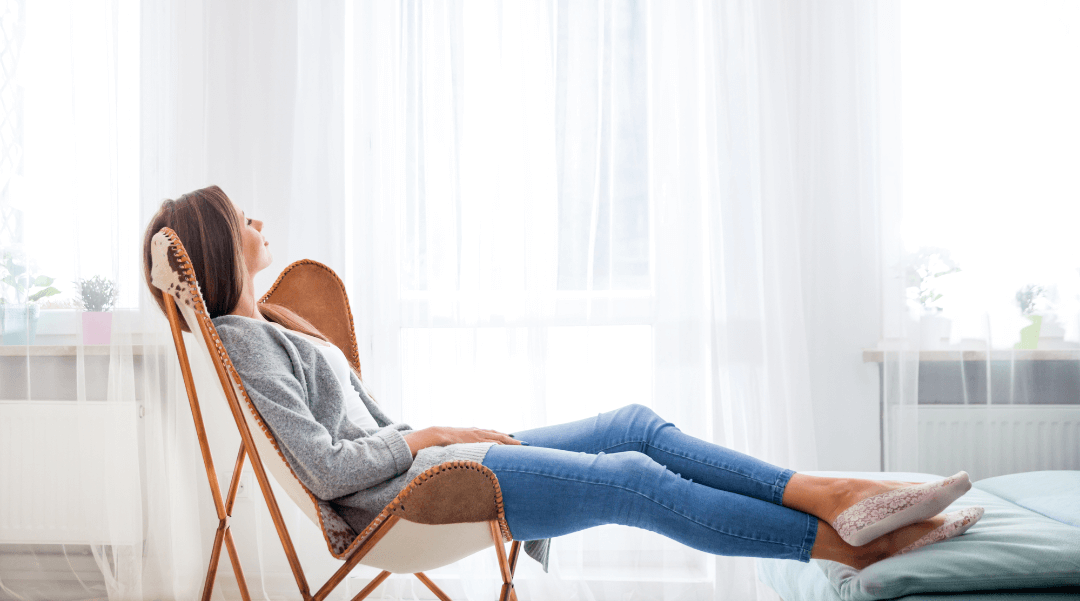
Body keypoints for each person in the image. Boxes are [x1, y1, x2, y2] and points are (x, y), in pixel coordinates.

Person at [142, 185, 983, 574]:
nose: (257, 218)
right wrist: (430, 435)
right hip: (407, 494)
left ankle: (833, 493)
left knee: (634, 422)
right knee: (631, 480)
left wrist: (433, 437)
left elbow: (351, 437)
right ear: (217, 245)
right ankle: (849, 541)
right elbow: (328, 472)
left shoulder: (273, 324)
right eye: (238, 215)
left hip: (425, 465)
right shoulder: (239, 342)